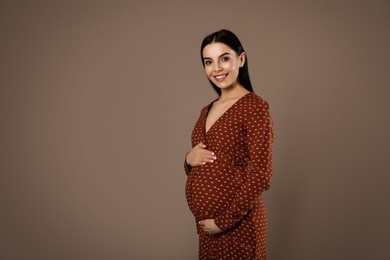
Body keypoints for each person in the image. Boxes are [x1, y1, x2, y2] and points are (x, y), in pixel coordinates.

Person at [184, 29, 274, 259]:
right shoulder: (207, 109)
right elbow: (204, 161)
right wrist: (188, 158)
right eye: (209, 62)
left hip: (237, 226)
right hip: (207, 228)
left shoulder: (254, 107)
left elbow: (261, 174)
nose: (217, 68)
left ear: (240, 59)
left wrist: (223, 221)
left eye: (224, 58)